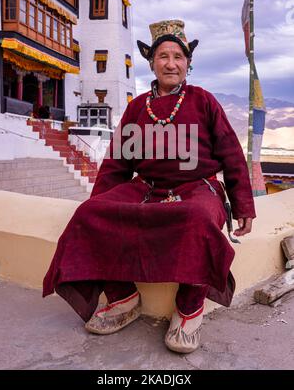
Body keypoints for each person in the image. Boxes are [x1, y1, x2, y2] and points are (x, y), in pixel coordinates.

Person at [43, 20, 256, 354]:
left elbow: (231, 153)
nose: (171, 63)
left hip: (197, 188)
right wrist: (103, 206)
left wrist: (243, 205)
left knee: (199, 218)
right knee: (90, 213)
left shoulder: (204, 101)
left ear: (188, 63)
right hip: (146, 187)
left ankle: (188, 310)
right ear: (152, 62)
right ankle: (123, 297)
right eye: (163, 56)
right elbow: (117, 163)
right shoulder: (136, 106)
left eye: (178, 57)